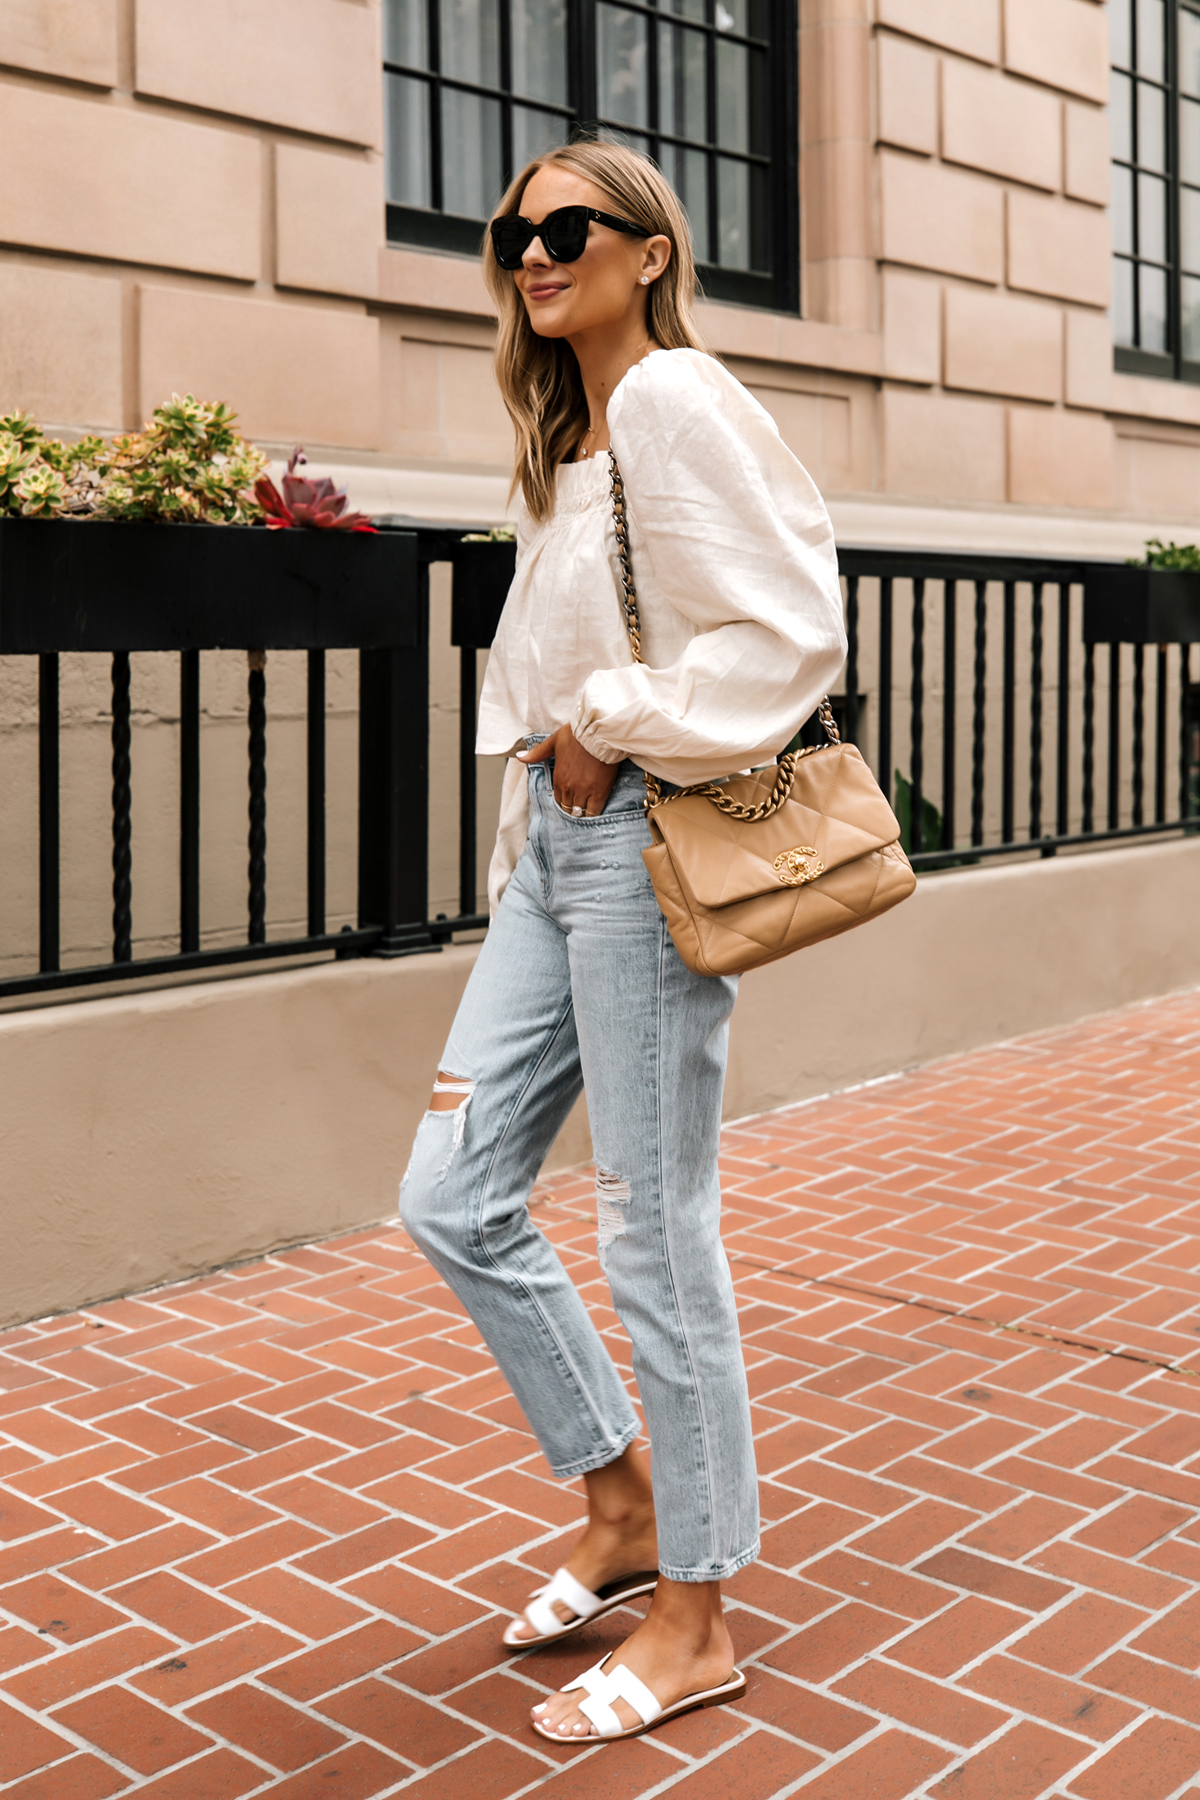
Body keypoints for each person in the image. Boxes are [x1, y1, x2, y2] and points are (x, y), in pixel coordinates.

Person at [399, 140, 846, 1744]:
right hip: (559, 857)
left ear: (649, 250)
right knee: (449, 1193)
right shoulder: (572, 430)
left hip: (644, 837)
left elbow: (792, 619)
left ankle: (701, 1609)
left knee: (656, 1232)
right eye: (513, 228)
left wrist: (615, 720)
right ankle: (623, 1500)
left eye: (567, 224)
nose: (533, 249)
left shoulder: (673, 399)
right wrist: (552, 789)